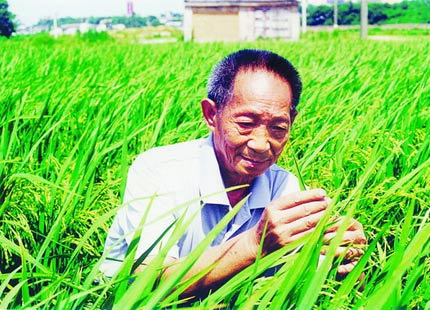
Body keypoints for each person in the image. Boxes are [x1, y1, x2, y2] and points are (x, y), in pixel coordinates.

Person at [100, 49, 366, 297]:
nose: (261, 144)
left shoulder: (283, 185)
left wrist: (346, 261)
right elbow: (152, 280)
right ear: (211, 114)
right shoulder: (158, 170)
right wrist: (255, 244)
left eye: (278, 128)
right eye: (246, 124)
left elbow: (303, 277)